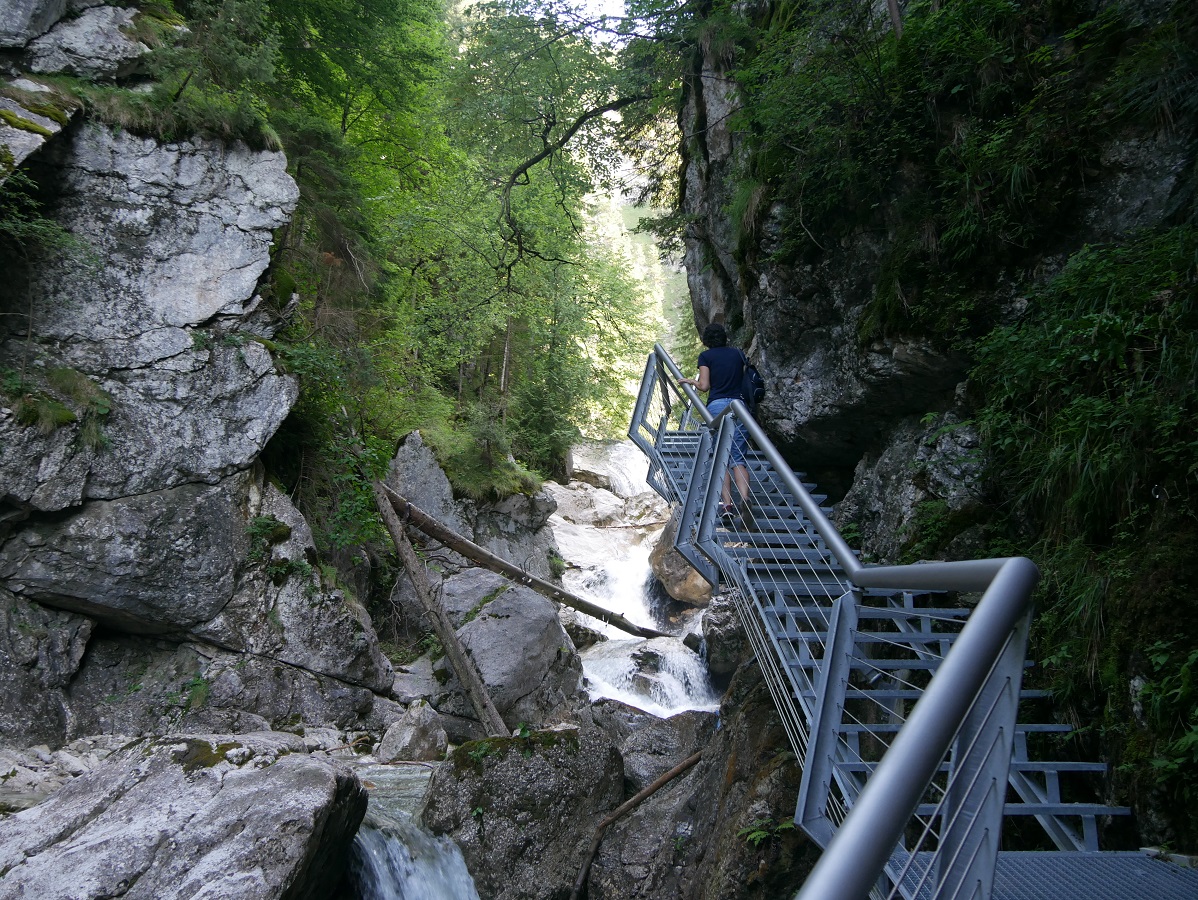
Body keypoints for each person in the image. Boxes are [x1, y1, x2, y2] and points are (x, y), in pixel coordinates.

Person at [679, 322, 754, 525]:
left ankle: (727, 506)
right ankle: (745, 498)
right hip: (740, 405)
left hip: (718, 407)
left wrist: (691, 382)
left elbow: (704, 386)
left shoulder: (706, 357)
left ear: (706, 340)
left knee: (721, 456)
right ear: (724, 337)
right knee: (737, 457)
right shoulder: (737, 354)